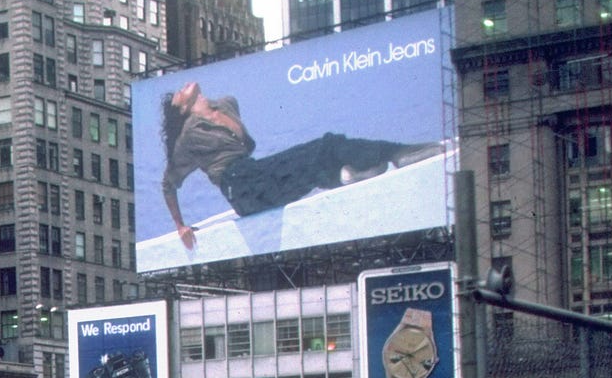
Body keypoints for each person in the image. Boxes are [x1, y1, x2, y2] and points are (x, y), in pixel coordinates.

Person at [159, 81, 447, 251]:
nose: (183, 87)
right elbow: (168, 184)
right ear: (182, 109)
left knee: (327, 145)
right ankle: (389, 157)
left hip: (255, 172)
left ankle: (351, 172)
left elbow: (245, 141)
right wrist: (179, 225)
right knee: (319, 152)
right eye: (178, 94)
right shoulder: (188, 137)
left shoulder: (226, 105)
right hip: (241, 187)